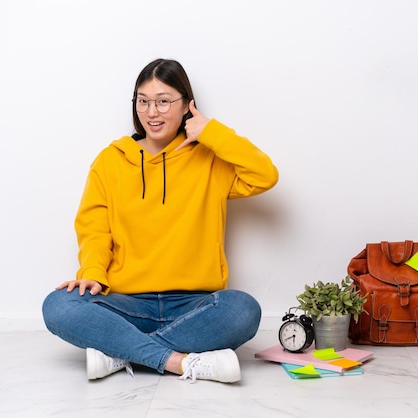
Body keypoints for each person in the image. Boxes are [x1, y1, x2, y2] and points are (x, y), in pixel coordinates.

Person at [42, 58, 278, 383]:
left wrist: (211, 132)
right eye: (143, 101)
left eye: (164, 101)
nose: (152, 112)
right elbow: (95, 229)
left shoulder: (210, 160)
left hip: (194, 304)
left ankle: (120, 353)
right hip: (126, 304)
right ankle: (180, 361)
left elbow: (265, 176)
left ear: (186, 106)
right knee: (59, 306)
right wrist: (93, 273)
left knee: (243, 310)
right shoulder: (110, 161)